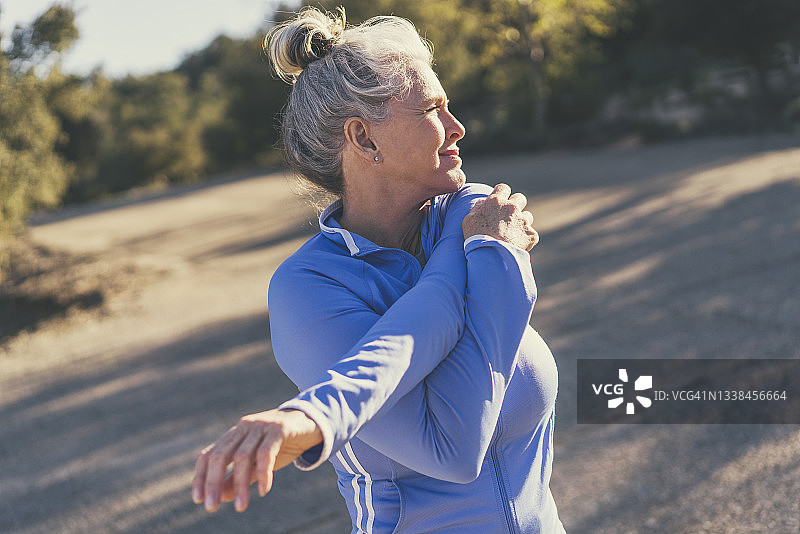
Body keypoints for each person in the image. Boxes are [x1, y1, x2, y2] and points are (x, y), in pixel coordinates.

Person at [192, 7, 565, 533]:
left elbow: (435, 312)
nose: (457, 127)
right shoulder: (308, 287)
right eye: (432, 109)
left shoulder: (472, 209)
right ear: (364, 139)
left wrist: (316, 414)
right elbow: (453, 449)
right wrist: (316, 415)